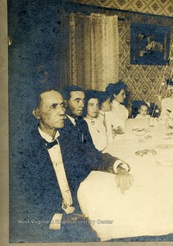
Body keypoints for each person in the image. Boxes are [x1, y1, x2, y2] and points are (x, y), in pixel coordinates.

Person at [12, 89, 133, 242]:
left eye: (62, 105)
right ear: (37, 113)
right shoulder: (22, 151)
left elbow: (96, 157)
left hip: (77, 215)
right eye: (53, 107)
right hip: (44, 229)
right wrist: (62, 220)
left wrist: (120, 169)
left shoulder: (68, 140)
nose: (62, 111)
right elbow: (20, 207)